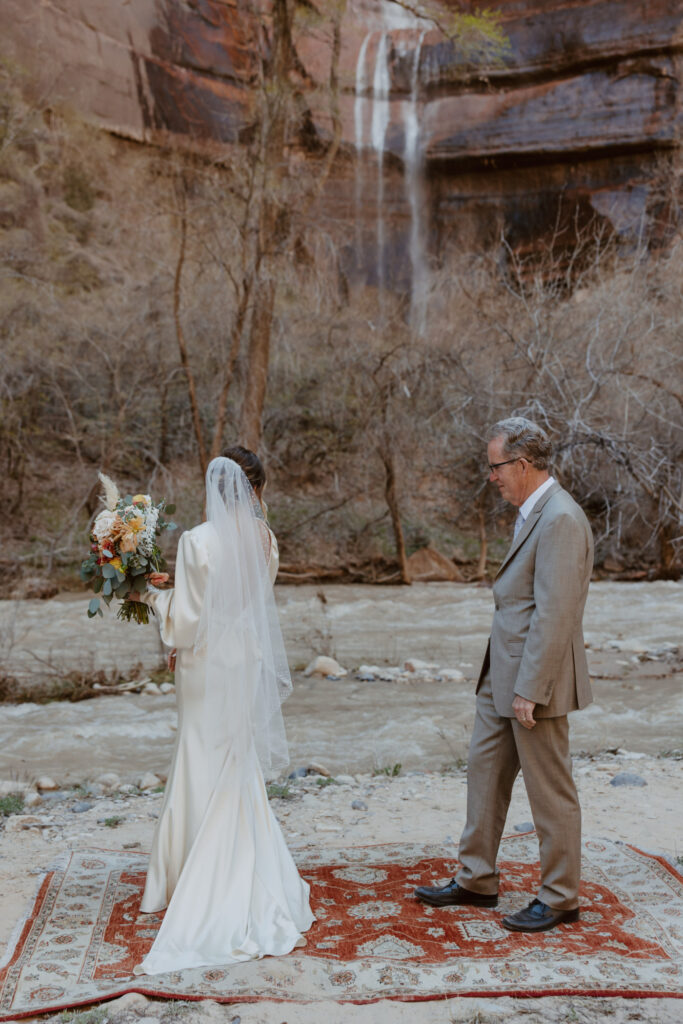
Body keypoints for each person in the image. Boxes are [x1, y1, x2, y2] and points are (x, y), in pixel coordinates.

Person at [131, 448, 314, 975]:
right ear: (256, 489)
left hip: (207, 669)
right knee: (235, 760)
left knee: (196, 756)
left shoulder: (197, 541)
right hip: (243, 662)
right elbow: (241, 603)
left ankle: (190, 876)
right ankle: (252, 869)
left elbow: (185, 626)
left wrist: (147, 594)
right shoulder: (266, 540)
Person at [415, 416, 594, 933]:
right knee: (484, 773)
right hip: (501, 675)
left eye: (495, 467)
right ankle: (477, 880)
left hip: (536, 682)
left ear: (521, 464)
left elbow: (555, 613)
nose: (490, 476)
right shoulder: (529, 511)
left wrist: (529, 691)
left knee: (549, 789)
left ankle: (561, 897)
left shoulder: (560, 517)